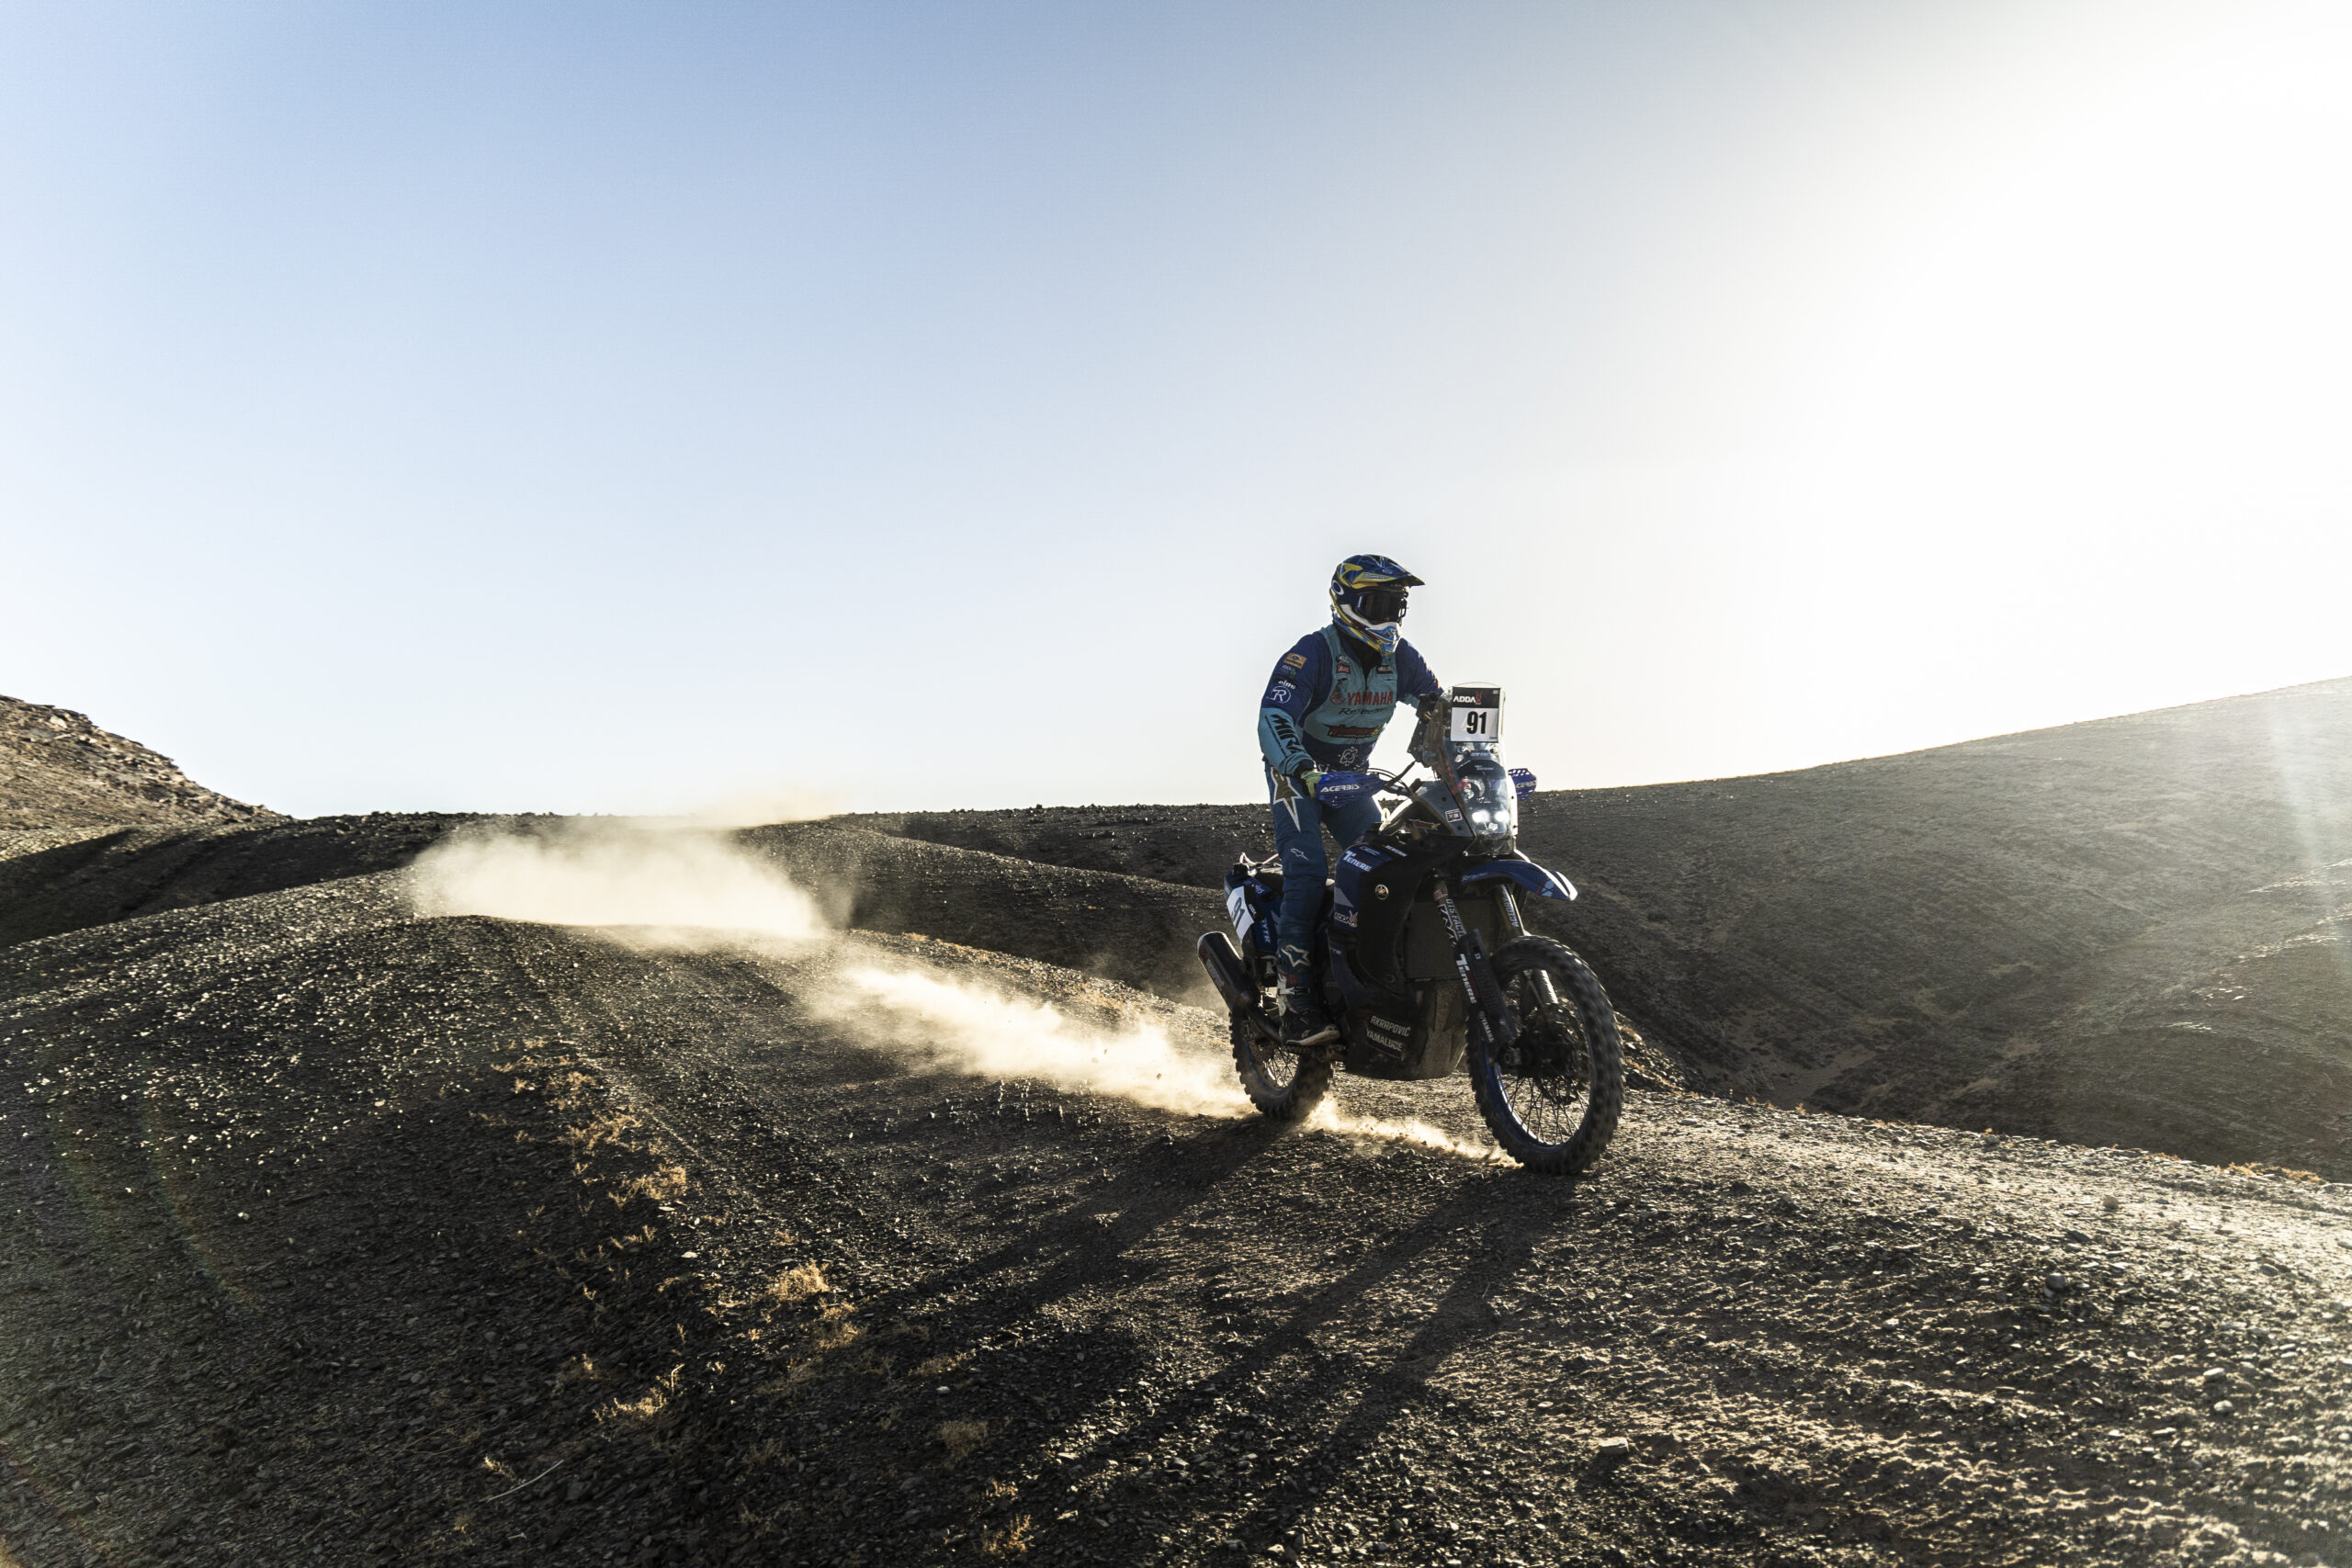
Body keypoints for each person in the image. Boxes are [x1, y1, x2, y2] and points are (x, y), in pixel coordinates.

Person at [1256, 554, 1442, 1046]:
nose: (1389, 618)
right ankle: (1294, 999)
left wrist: (1470, 762)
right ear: (1346, 603)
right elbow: (1273, 717)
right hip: (1298, 777)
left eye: (1396, 607)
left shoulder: (1402, 659)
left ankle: (1366, 979)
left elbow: (1439, 711)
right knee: (1307, 871)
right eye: (1377, 605)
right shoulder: (1312, 654)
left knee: (1388, 867)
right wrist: (1304, 770)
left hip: (1352, 780)